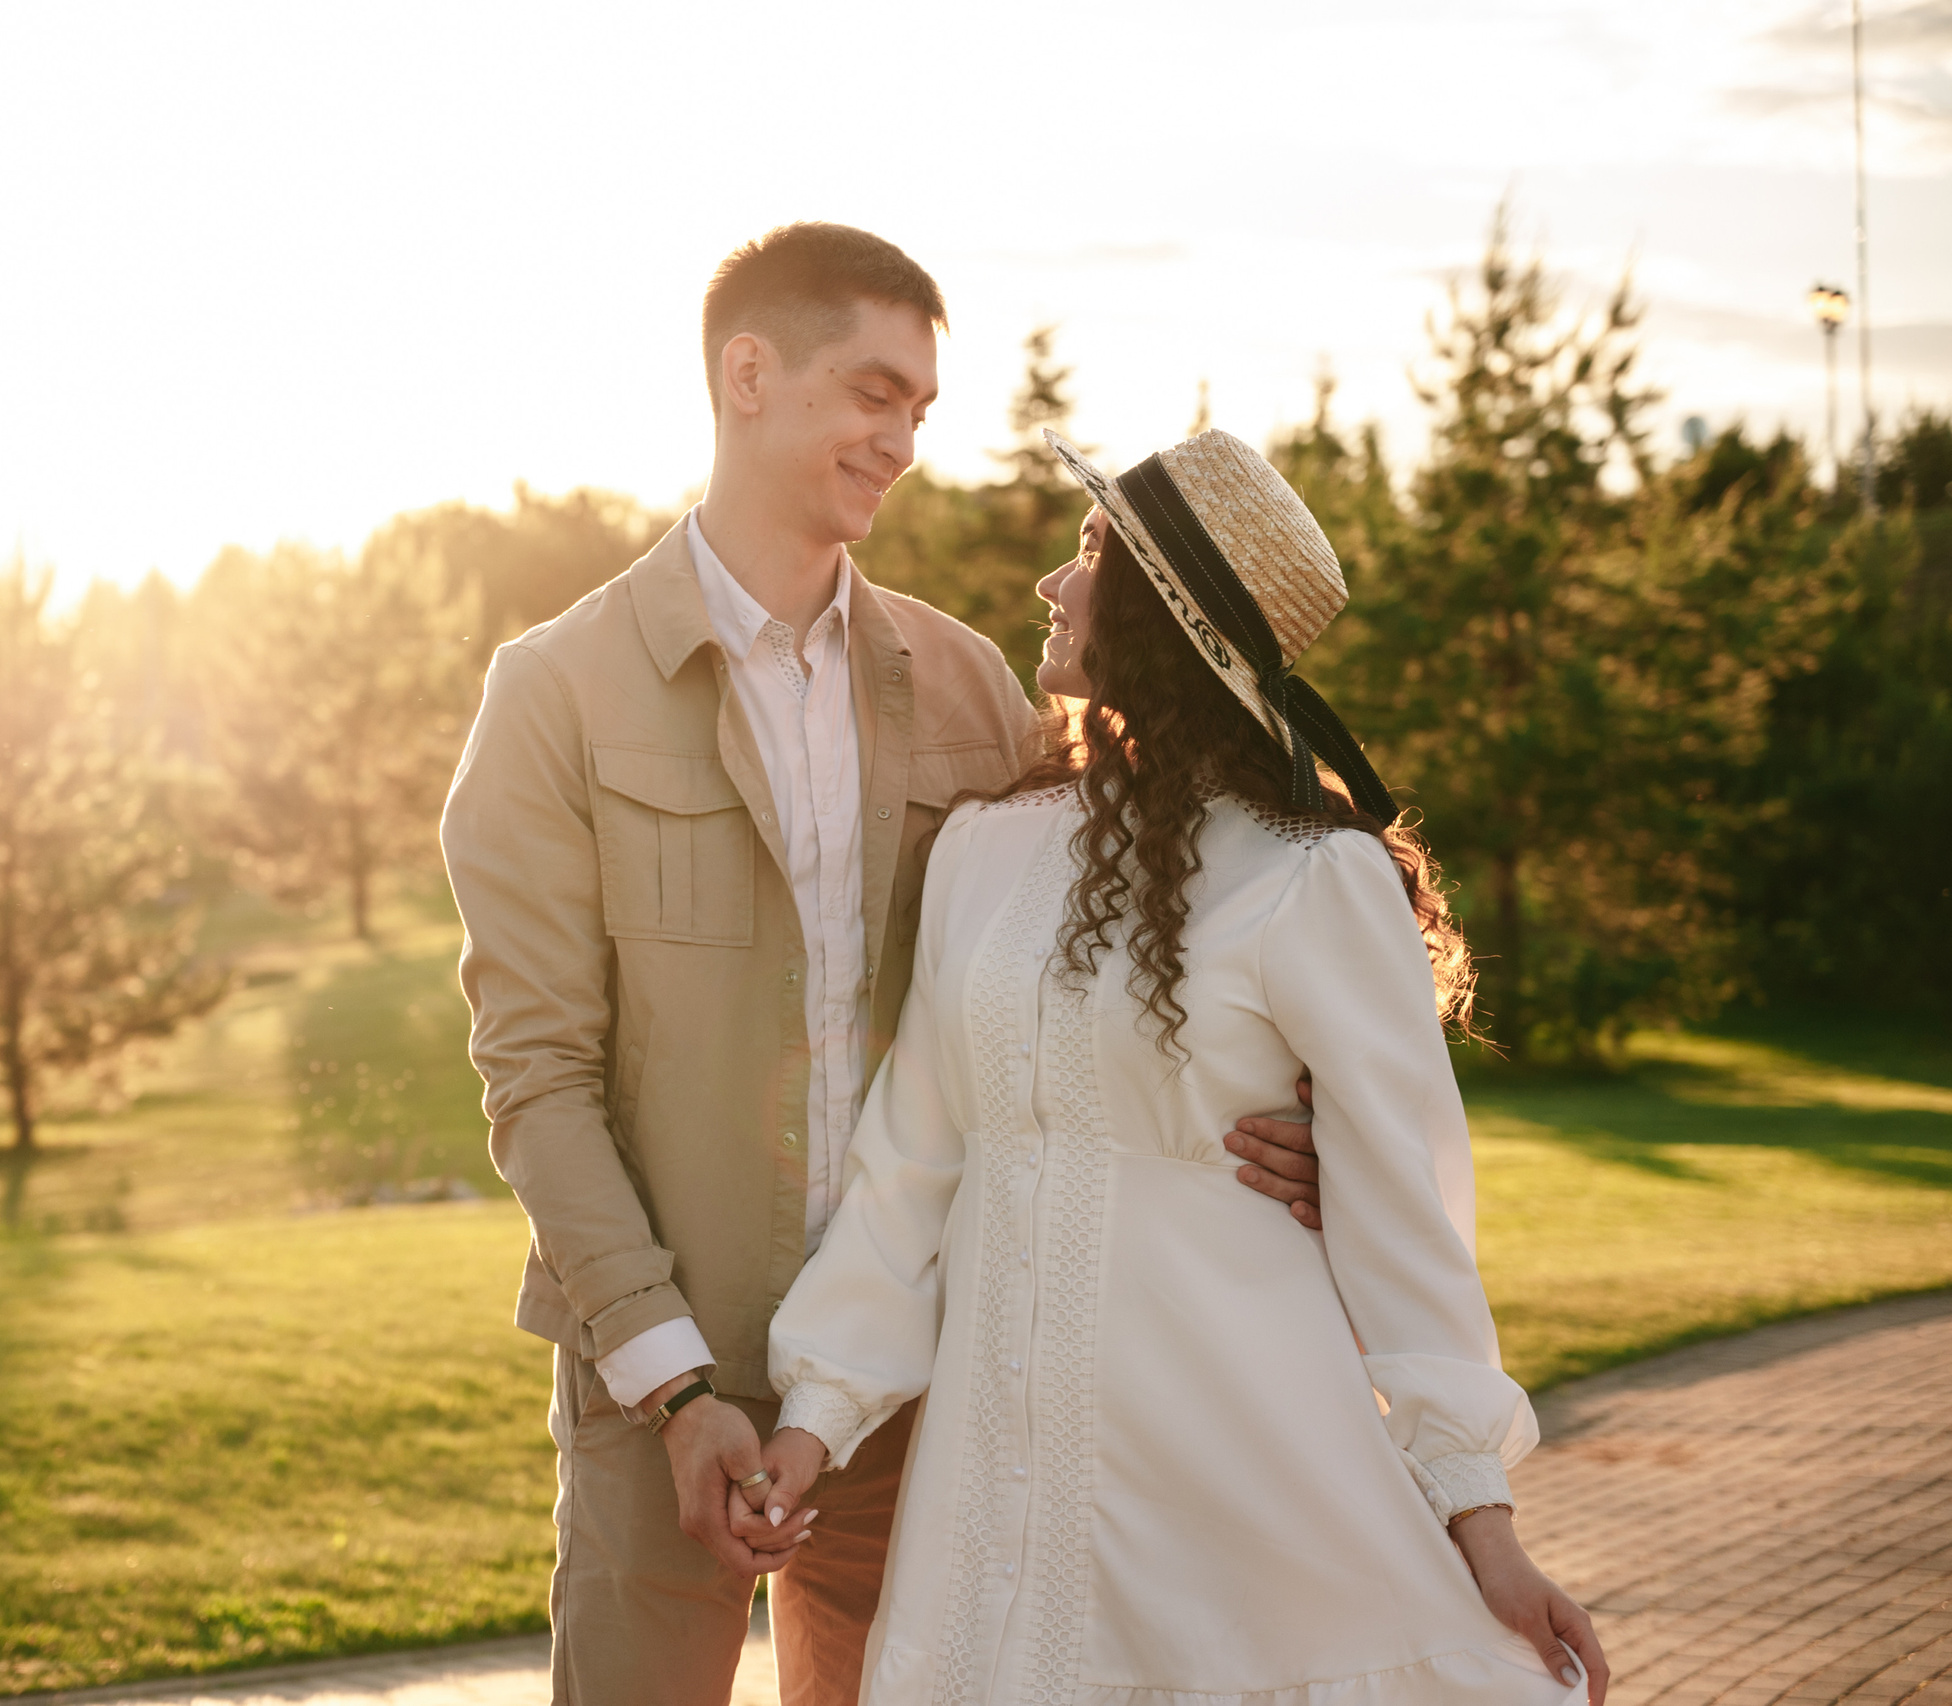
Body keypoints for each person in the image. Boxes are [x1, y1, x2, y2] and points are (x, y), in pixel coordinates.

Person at [440, 227, 1328, 1706]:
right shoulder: (554, 695)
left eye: (921, 407)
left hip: (929, 1390)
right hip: (656, 1383)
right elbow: (535, 1078)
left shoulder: (976, 685)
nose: (904, 440)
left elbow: (1149, 927)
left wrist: (1309, 1115)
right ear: (747, 375)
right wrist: (672, 1387)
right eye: (874, 393)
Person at [759, 427, 1609, 1705]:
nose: (1052, 579)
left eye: (1091, 550)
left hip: (1235, 1479)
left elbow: (1407, 1221)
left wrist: (1479, 1514)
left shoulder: (1311, 877)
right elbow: (910, 1168)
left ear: (1163, 613)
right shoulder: (984, 853)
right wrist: (812, 1416)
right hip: (990, 1497)